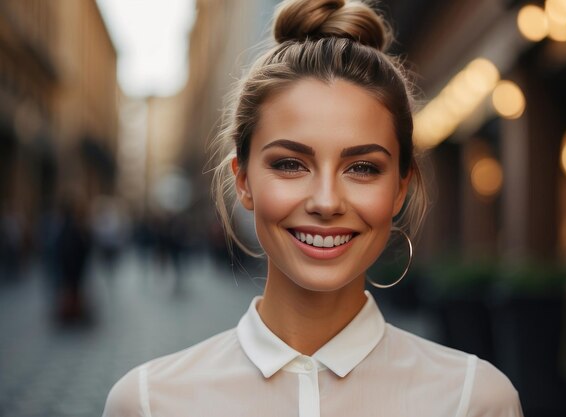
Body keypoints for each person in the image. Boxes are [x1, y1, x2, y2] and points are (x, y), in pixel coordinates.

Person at [102, 0, 523, 416]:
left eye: (362, 167)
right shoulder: (147, 403)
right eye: (290, 164)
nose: (325, 201)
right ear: (243, 180)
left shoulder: (474, 399)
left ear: (400, 188)